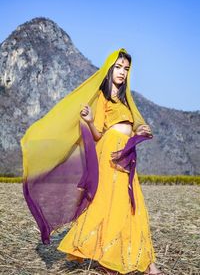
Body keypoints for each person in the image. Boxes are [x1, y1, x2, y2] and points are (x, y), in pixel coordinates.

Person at [56, 49, 163, 275]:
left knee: (133, 204)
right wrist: (89, 120)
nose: (122, 72)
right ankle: (108, 257)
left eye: (126, 68)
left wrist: (142, 129)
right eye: (118, 67)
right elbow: (97, 134)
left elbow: (135, 125)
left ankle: (148, 264)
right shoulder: (103, 97)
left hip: (126, 154)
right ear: (109, 68)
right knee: (109, 202)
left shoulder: (127, 100)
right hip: (109, 152)